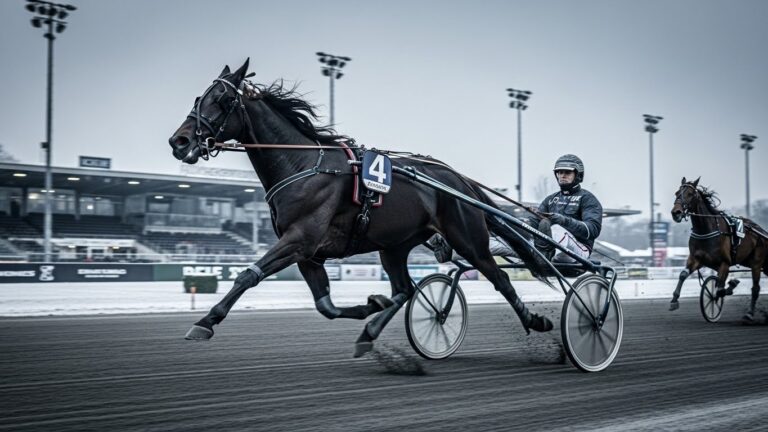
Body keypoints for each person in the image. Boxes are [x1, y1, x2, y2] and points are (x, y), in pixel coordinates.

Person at [431, 154, 603, 264]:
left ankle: (543, 254)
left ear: (578, 175)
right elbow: (533, 225)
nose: (562, 175)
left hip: (577, 252)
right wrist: (521, 222)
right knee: (502, 238)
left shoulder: (588, 199)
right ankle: (452, 250)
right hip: (544, 249)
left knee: (556, 229)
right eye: (559, 172)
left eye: (567, 172)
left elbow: (592, 230)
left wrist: (562, 220)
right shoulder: (550, 200)